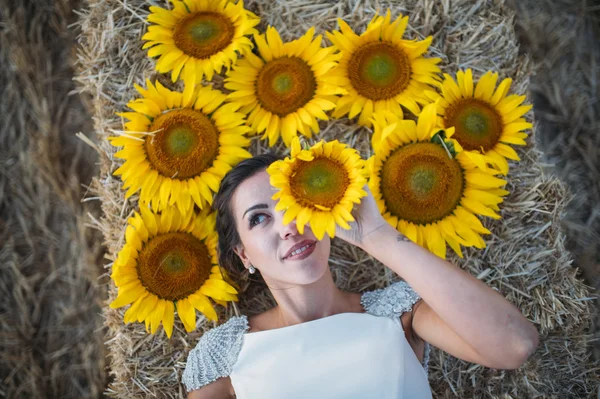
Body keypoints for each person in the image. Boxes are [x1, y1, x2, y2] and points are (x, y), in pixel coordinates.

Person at [182, 153, 539, 399]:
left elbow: (515, 345)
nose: (289, 226)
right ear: (244, 254)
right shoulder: (223, 354)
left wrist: (378, 237)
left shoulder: (398, 313)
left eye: (295, 204)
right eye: (259, 218)